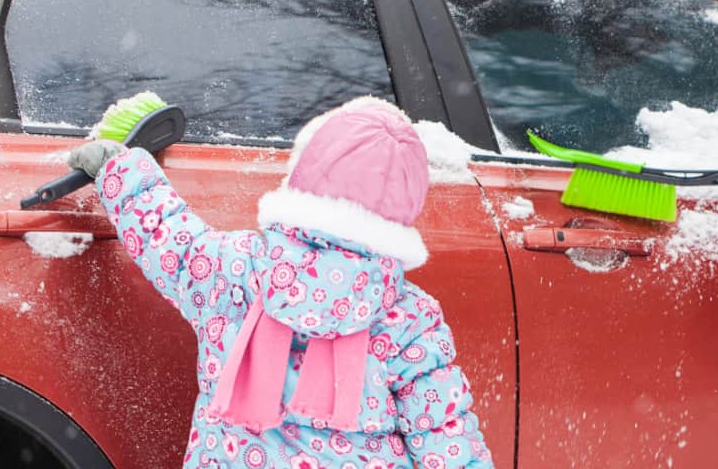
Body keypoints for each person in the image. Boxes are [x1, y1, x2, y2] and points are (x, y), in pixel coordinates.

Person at [69, 96, 494, 469]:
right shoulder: (408, 319)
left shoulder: (232, 270)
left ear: (304, 172)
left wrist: (117, 168)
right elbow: (444, 434)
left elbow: (166, 235)